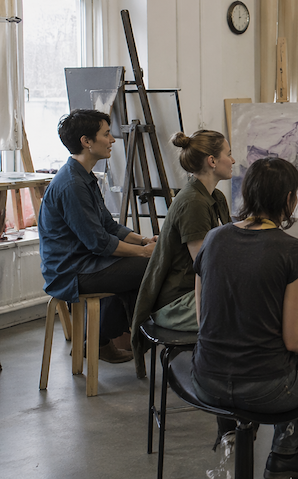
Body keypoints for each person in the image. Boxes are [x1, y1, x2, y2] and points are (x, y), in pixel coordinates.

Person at [191, 157, 298, 479]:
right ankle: (297, 458)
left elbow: (204, 320)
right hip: (264, 388)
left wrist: (289, 283)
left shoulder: (213, 238)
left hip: (205, 379)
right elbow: (296, 340)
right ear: (290, 199)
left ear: (247, 193)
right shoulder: (292, 250)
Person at [38, 109, 157, 363]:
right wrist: (144, 253)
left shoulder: (83, 176)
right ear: (86, 141)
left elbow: (109, 226)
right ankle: (110, 338)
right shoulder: (72, 184)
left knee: (146, 264)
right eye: (106, 134)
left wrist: (144, 241)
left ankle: (107, 337)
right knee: (152, 266)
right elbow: (99, 242)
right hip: (70, 271)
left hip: (85, 262)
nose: (112, 140)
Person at [131, 130, 233, 376]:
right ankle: (226, 381)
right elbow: (207, 265)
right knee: (253, 312)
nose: (232, 160)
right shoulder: (194, 202)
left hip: (193, 293)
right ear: (212, 161)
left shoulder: (213, 197)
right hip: (177, 303)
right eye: (228, 154)